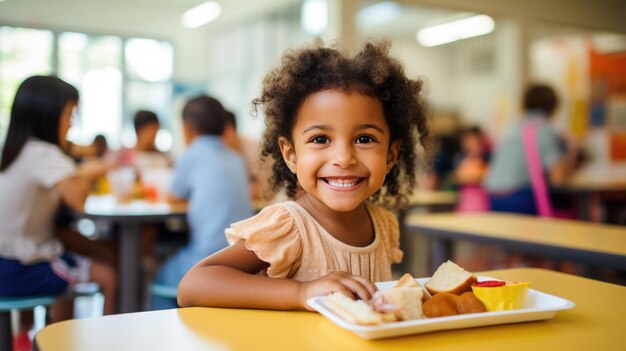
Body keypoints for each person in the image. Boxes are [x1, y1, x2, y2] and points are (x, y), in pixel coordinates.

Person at [177, 40, 430, 311]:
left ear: (390, 155)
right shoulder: (289, 227)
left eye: (364, 138)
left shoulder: (383, 225)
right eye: (321, 139)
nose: (344, 158)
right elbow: (193, 285)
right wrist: (301, 292)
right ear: (291, 154)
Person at [0, 75, 117, 347]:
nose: (71, 124)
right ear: (48, 115)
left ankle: (43, 339)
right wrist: (90, 171)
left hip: (8, 259)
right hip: (17, 268)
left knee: (68, 258)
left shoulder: (18, 148)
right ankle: (104, 342)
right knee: (108, 275)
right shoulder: (42, 153)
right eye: (70, 114)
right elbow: (77, 197)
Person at [151, 95, 253, 310]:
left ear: (187, 129)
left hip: (206, 258)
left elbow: (173, 196)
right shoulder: (236, 158)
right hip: (242, 260)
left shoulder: (191, 155)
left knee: (158, 273)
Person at [484, 84, 579, 215]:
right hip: (521, 199)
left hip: (493, 199)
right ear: (554, 107)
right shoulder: (545, 130)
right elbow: (558, 177)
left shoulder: (512, 128)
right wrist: (572, 153)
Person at [221, 109, 273, 202]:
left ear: (229, 130)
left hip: (260, 206)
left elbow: (267, 188)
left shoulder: (254, 149)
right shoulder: (219, 152)